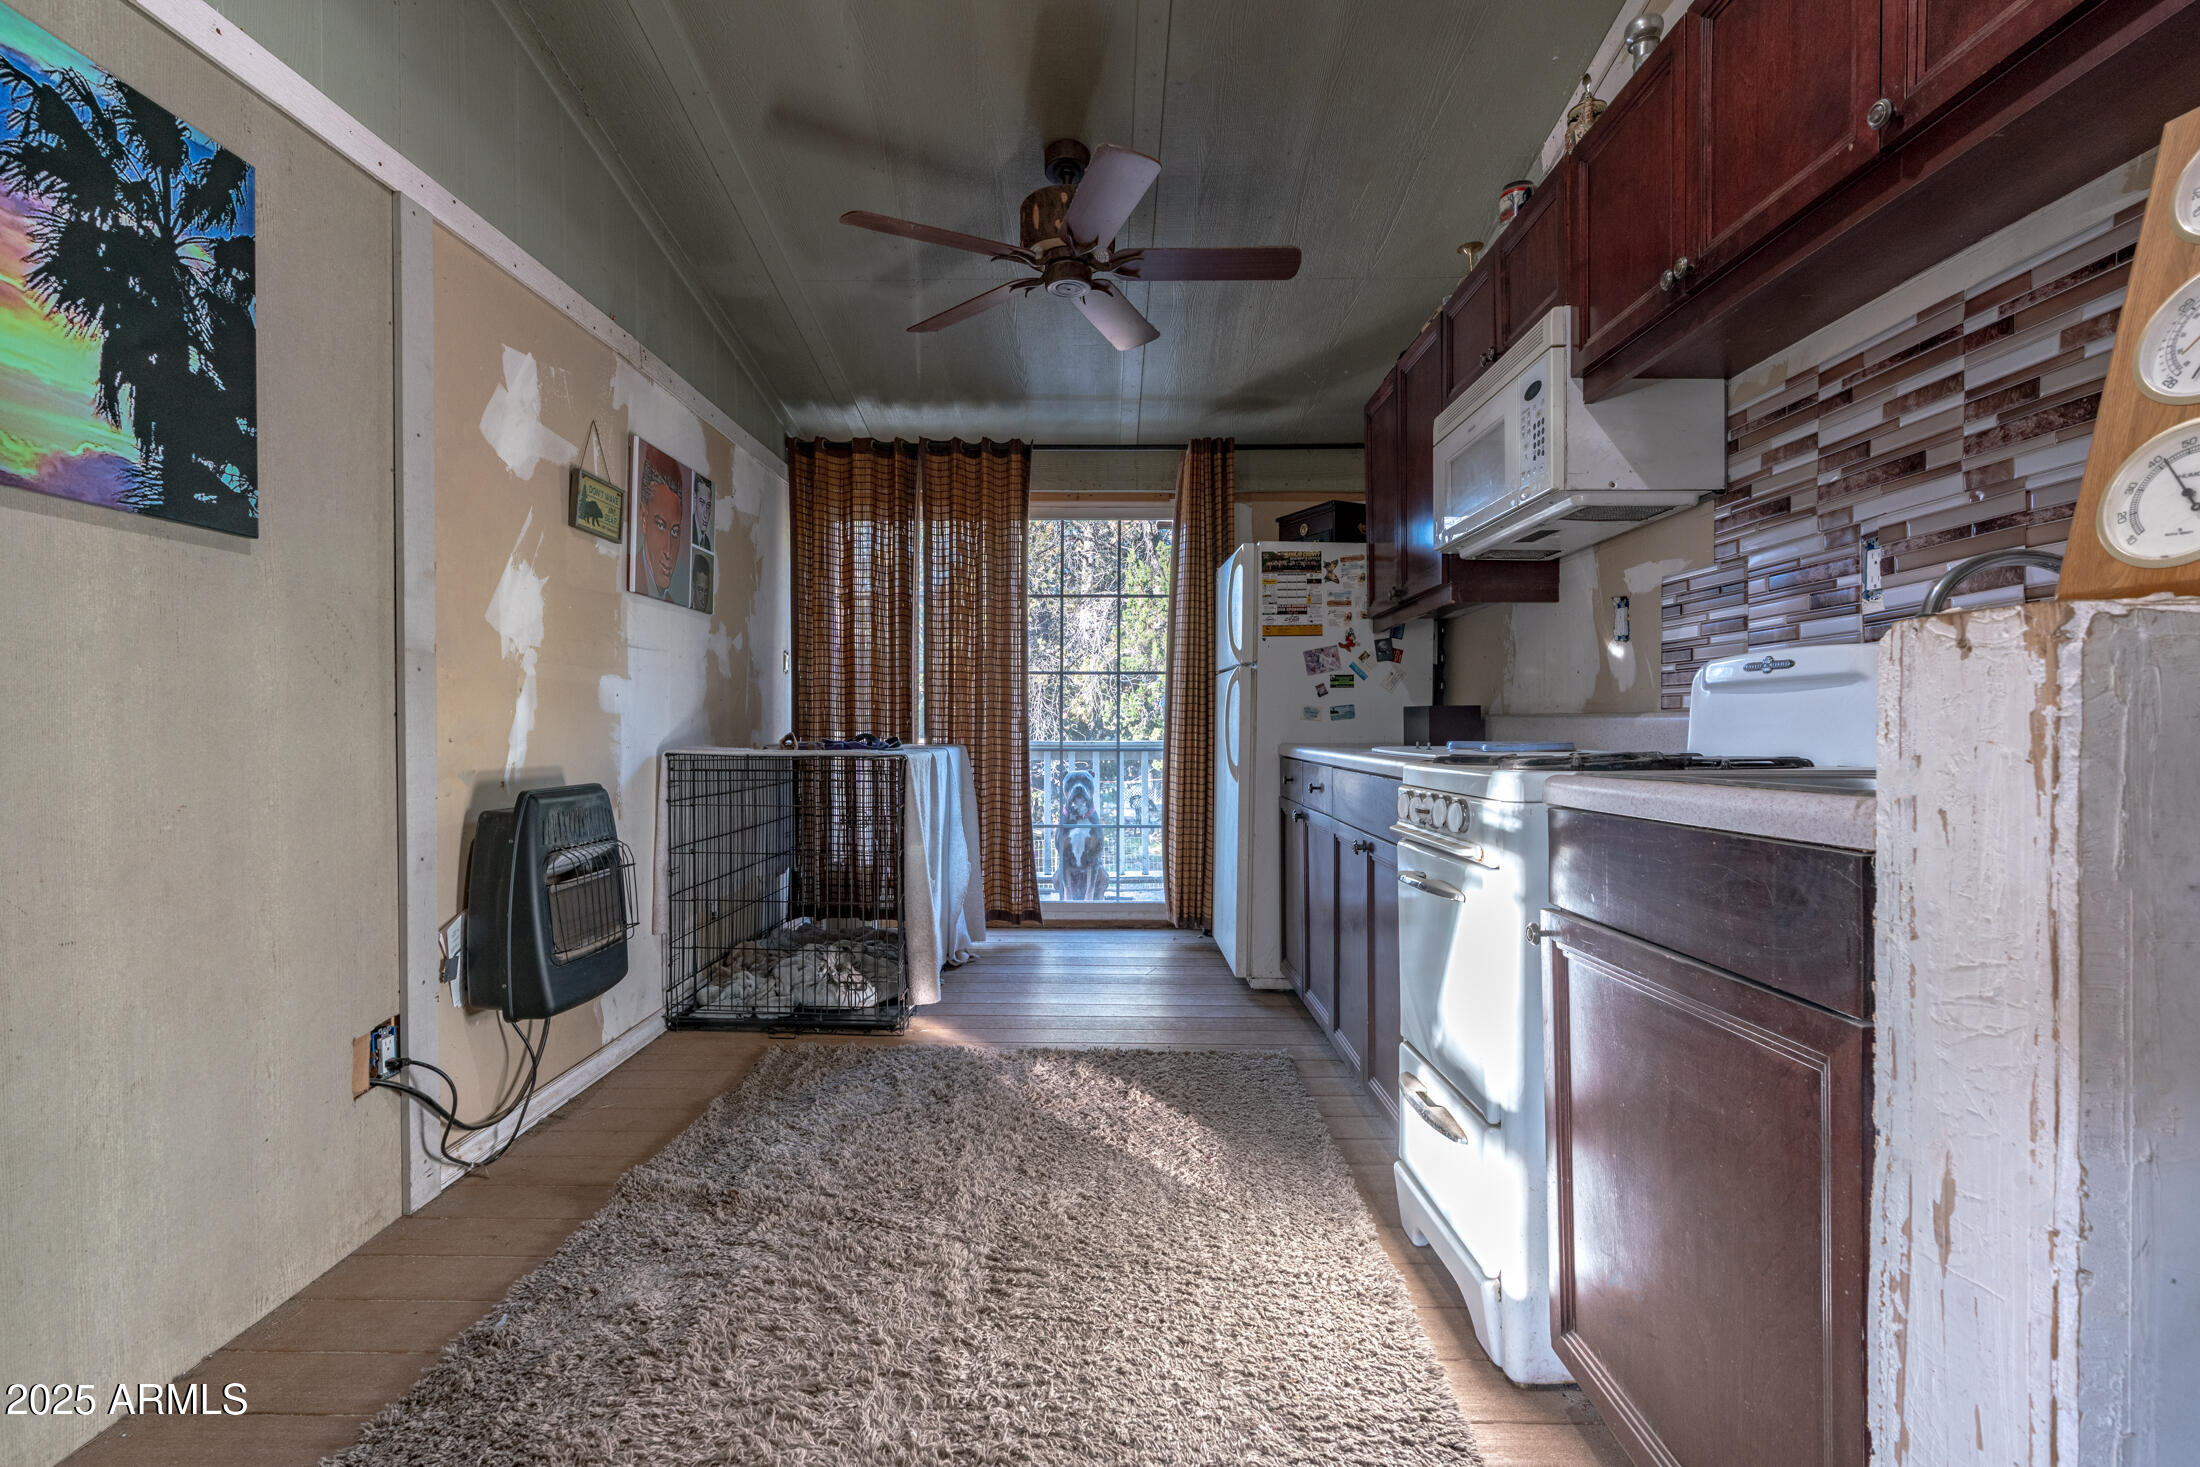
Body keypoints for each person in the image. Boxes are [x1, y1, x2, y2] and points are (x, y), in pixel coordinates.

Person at [637, 460, 685, 600]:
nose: (668, 551)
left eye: (675, 532)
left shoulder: (669, 599)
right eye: (660, 525)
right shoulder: (629, 575)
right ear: (643, 518)